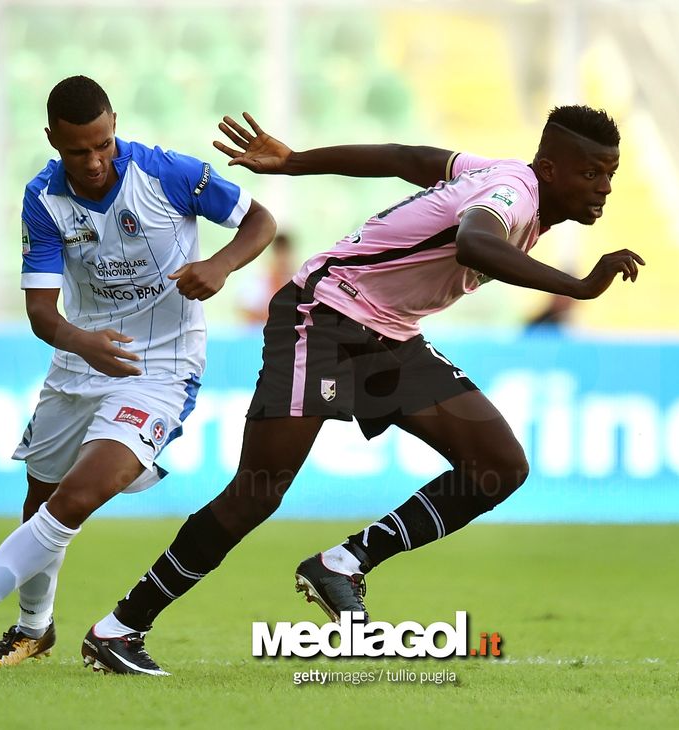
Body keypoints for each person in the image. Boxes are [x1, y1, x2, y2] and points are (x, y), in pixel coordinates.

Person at [81, 105, 644, 675]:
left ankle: (343, 563)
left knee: (498, 464)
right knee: (257, 492)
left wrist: (297, 161)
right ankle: (119, 629)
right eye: (591, 174)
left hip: (389, 336)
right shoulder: (512, 194)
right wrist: (578, 286)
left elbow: (408, 160)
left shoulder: (497, 176)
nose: (603, 189)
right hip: (325, 317)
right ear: (549, 169)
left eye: (610, 176)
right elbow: (476, 242)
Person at [0, 76, 276, 672]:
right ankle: (33, 629)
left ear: (113, 126)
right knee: (41, 495)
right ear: (53, 139)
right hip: (80, 361)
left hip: (162, 366)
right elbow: (40, 313)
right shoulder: (43, 199)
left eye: (103, 143)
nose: (95, 159)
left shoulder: (168, 174)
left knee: (77, 497)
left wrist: (222, 265)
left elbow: (260, 219)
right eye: (79, 150)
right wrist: (83, 343)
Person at [236, 231, 296, 324]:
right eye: (279, 252)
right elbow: (244, 310)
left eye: (285, 252)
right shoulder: (258, 281)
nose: (282, 258)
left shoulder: (300, 282)